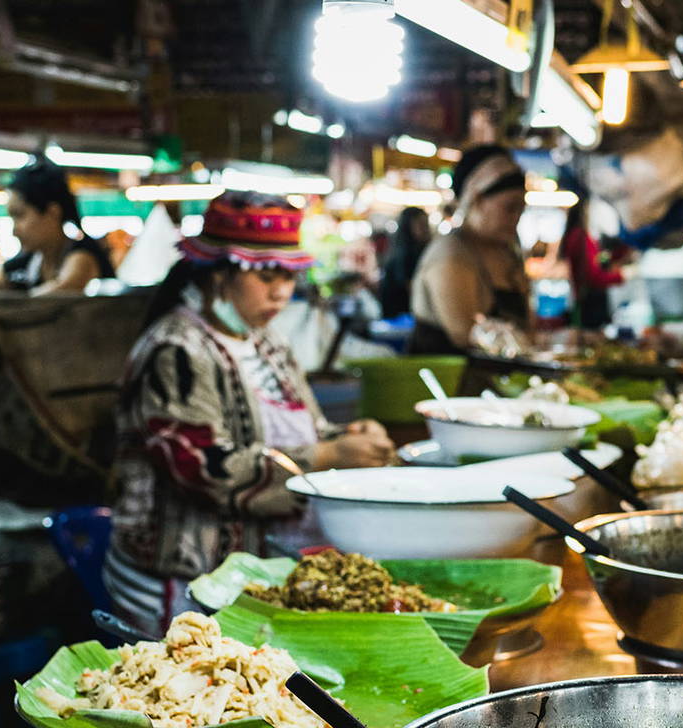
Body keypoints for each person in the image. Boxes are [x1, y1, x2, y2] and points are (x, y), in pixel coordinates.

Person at [105, 191, 395, 637]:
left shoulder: (267, 342)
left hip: (253, 576)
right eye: (264, 275)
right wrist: (327, 454)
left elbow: (309, 428)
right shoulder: (176, 351)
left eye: (289, 274)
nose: (281, 290)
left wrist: (350, 435)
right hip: (180, 583)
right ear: (218, 275)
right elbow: (201, 470)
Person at [408, 145, 531, 354]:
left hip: (504, 382)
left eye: (521, 209)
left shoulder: (507, 253)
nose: (516, 217)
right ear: (476, 200)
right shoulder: (450, 254)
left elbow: (528, 327)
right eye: (509, 207)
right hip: (450, 383)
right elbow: (464, 335)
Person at [0, 158, 116, 296]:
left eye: (20, 215)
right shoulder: (30, 260)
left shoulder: (82, 255)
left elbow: (62, 289)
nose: (14, 229)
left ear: (52, 213)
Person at [558, 198, 626, 330]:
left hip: (585, 300)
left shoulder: (580, 236)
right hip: (588, 303)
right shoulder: (580, 237)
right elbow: (592, 276)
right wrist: (620, 276)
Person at [377, 206, 431, 320]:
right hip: (400, 317)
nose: (426, 229)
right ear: (408, 227)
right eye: (421, 225)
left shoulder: (400, 249)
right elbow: (412, 289)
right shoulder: (405, 253)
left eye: (426, 224)